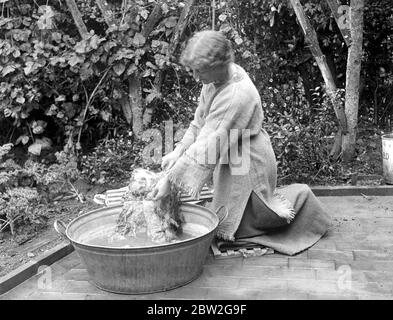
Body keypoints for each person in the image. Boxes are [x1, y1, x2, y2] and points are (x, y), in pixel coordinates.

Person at [151, 30, 331, 255]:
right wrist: (178, 152)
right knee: (224, 210)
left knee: (234, 226)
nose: (196, 77)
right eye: (193, 71)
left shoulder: (237, 94)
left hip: (249, 162)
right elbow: (199, 123)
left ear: (219, 64)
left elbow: (208, 143)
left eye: (199, 71)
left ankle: (303, 202)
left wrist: (170, 181)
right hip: (231, 155)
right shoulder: (215, 80)